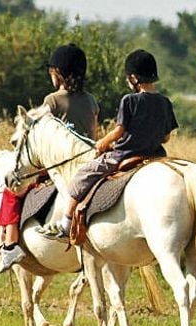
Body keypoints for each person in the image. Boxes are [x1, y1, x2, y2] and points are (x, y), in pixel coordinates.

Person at [38, 49, 178, 240]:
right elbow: (166, 137)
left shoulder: (129, 100)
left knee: (83, 175)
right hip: (157, 154)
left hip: (125, 154)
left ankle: (66, 224)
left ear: (134, 78)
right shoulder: (165, 102)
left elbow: (119, 131)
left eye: (129, 78)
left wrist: (103, 142)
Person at [0, 43, 100, 274]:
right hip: (87, 161)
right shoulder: (91, 100)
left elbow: (41, 135)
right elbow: (93, 134)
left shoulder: (53, 100)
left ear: (57, 73)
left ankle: (9, 245)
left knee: (13, 188)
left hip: (59, 165)